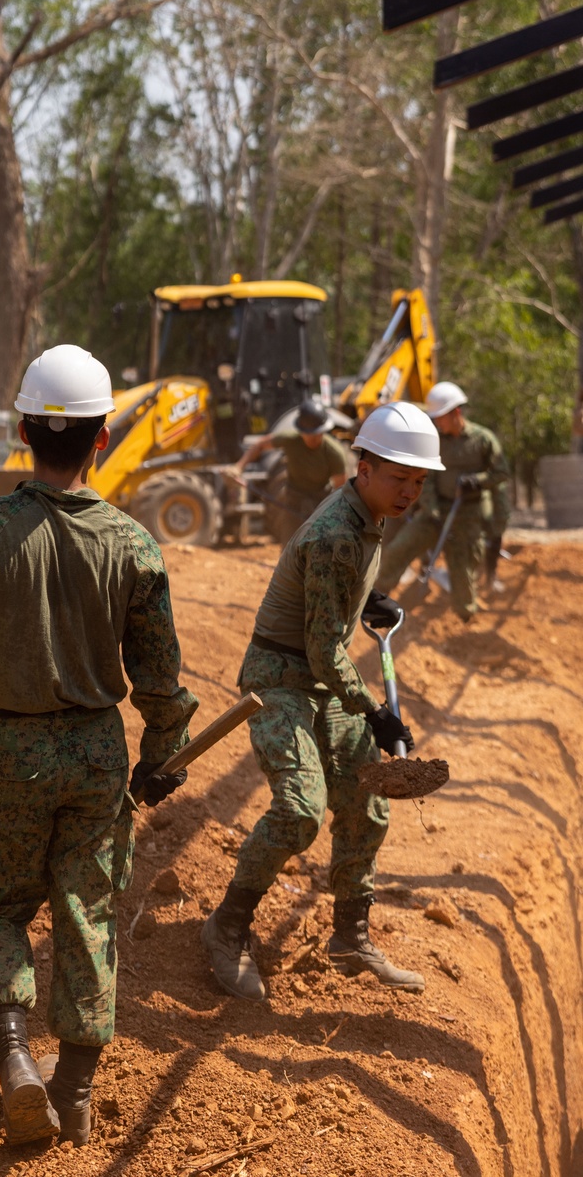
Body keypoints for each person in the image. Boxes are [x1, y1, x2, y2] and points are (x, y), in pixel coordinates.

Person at [0, 345, 197, 1148]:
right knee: (85, 913)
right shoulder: (134, 546)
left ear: (26, 429)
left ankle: (12, 1057)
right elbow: (161, 679)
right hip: (99, 756)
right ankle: (73, 1088)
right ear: (103, 437)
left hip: (13, 751)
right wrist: (161, 753)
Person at [202, 400, 444, 1002]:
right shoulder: (339, 532)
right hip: (281, 678)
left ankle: (349, 938)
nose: (409, 491)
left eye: (418, 480)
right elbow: (320, 650)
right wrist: (376, 711)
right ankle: (227, 927)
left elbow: (329, 606)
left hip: (317, 673)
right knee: (302, 809)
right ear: (363, 467)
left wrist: (369, 601)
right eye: (398, 477)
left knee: (368, 800)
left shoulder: (367, 515)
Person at [376, 382, 511, 620]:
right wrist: (433, 510)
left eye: (440, 417)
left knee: (461, 571)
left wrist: (477, 481)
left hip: (467, 515)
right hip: (435, 512)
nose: (437, 422)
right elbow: (424, 479)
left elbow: (501, 473)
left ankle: (465, 617)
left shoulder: (483, 440)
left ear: (455, 413)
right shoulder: (434, 440)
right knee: (399, 549)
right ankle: (376, 599)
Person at [232, 400, 349, 545]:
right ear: (301, 431)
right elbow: (260, 445)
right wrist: (239, 466)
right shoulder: (290, 440)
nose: (313, 438)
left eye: (318, 434)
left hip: (320, 501)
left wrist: (333, 516)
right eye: (309, 434)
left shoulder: (334, 453)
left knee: (320, 549)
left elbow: (340, 490)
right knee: (290, 547)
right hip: (294, 500)